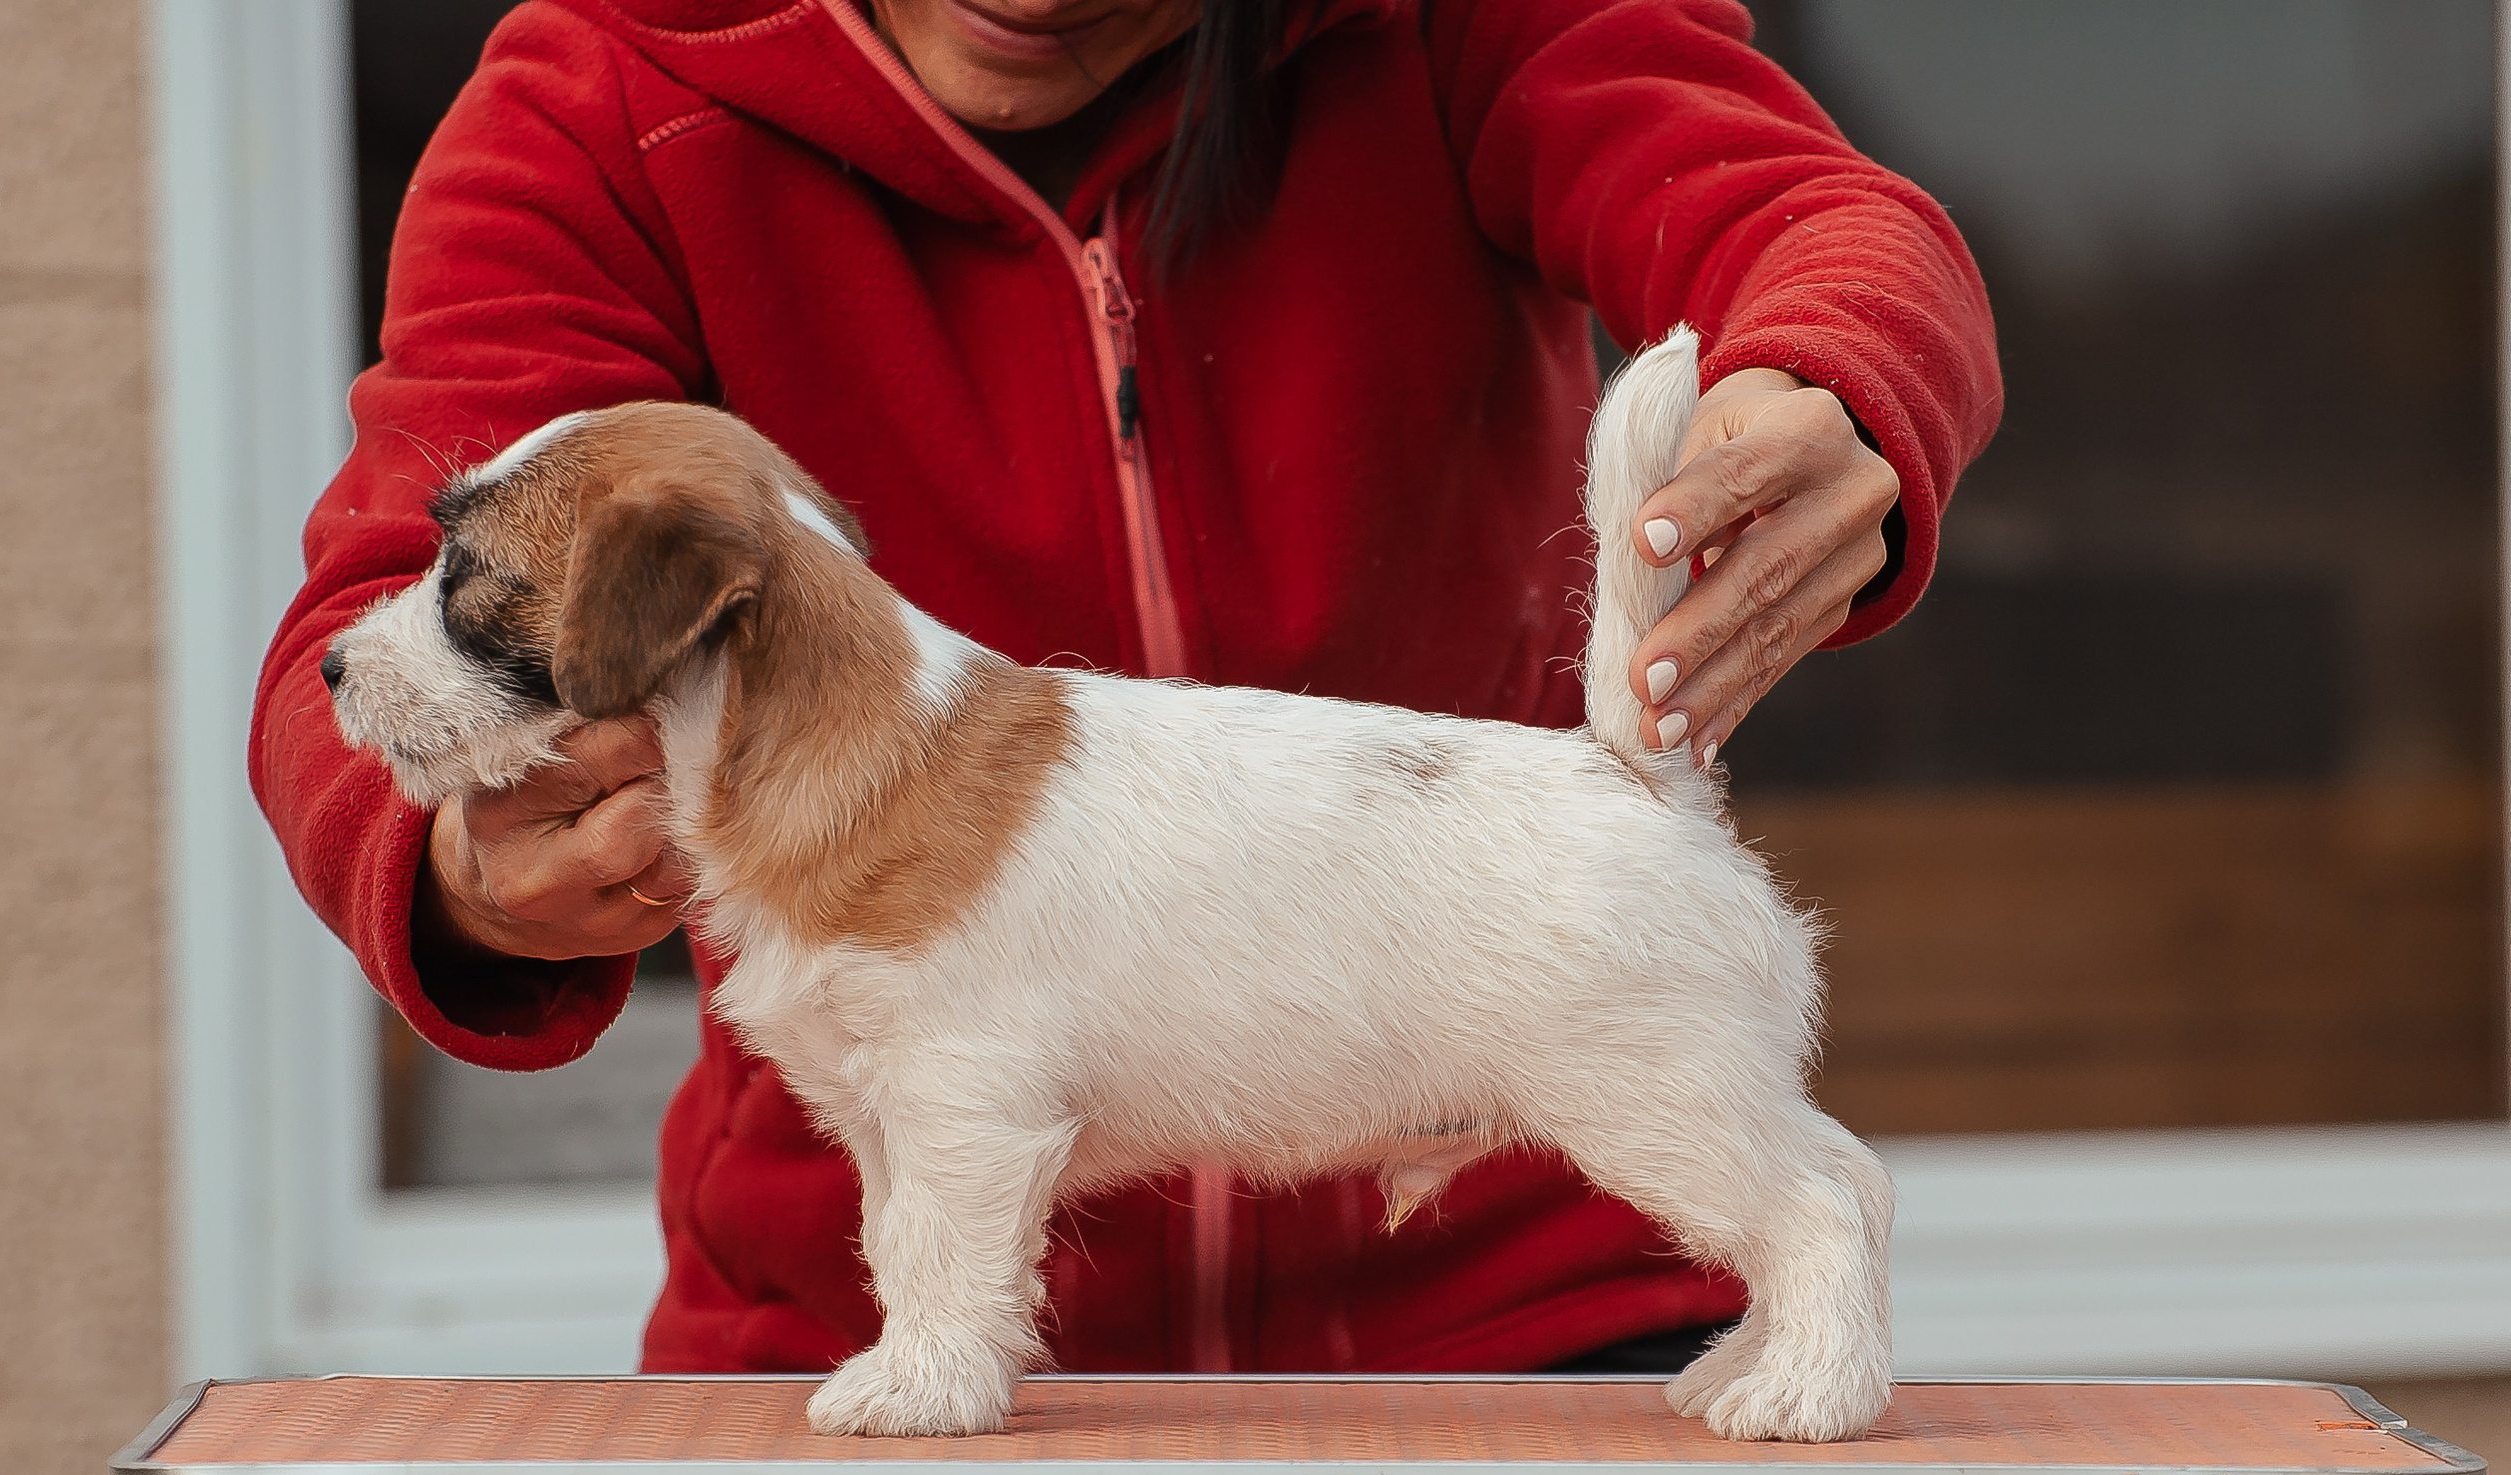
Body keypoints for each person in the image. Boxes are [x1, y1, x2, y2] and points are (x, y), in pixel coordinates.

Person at [255, 0, 1998, 1378]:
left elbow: (1814, 212)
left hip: (1526, 1324)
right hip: (819, 1338)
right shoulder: (607, 93)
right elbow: (371, 602)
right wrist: (465, 869)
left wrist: (1830, 376)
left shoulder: (1454, 21)